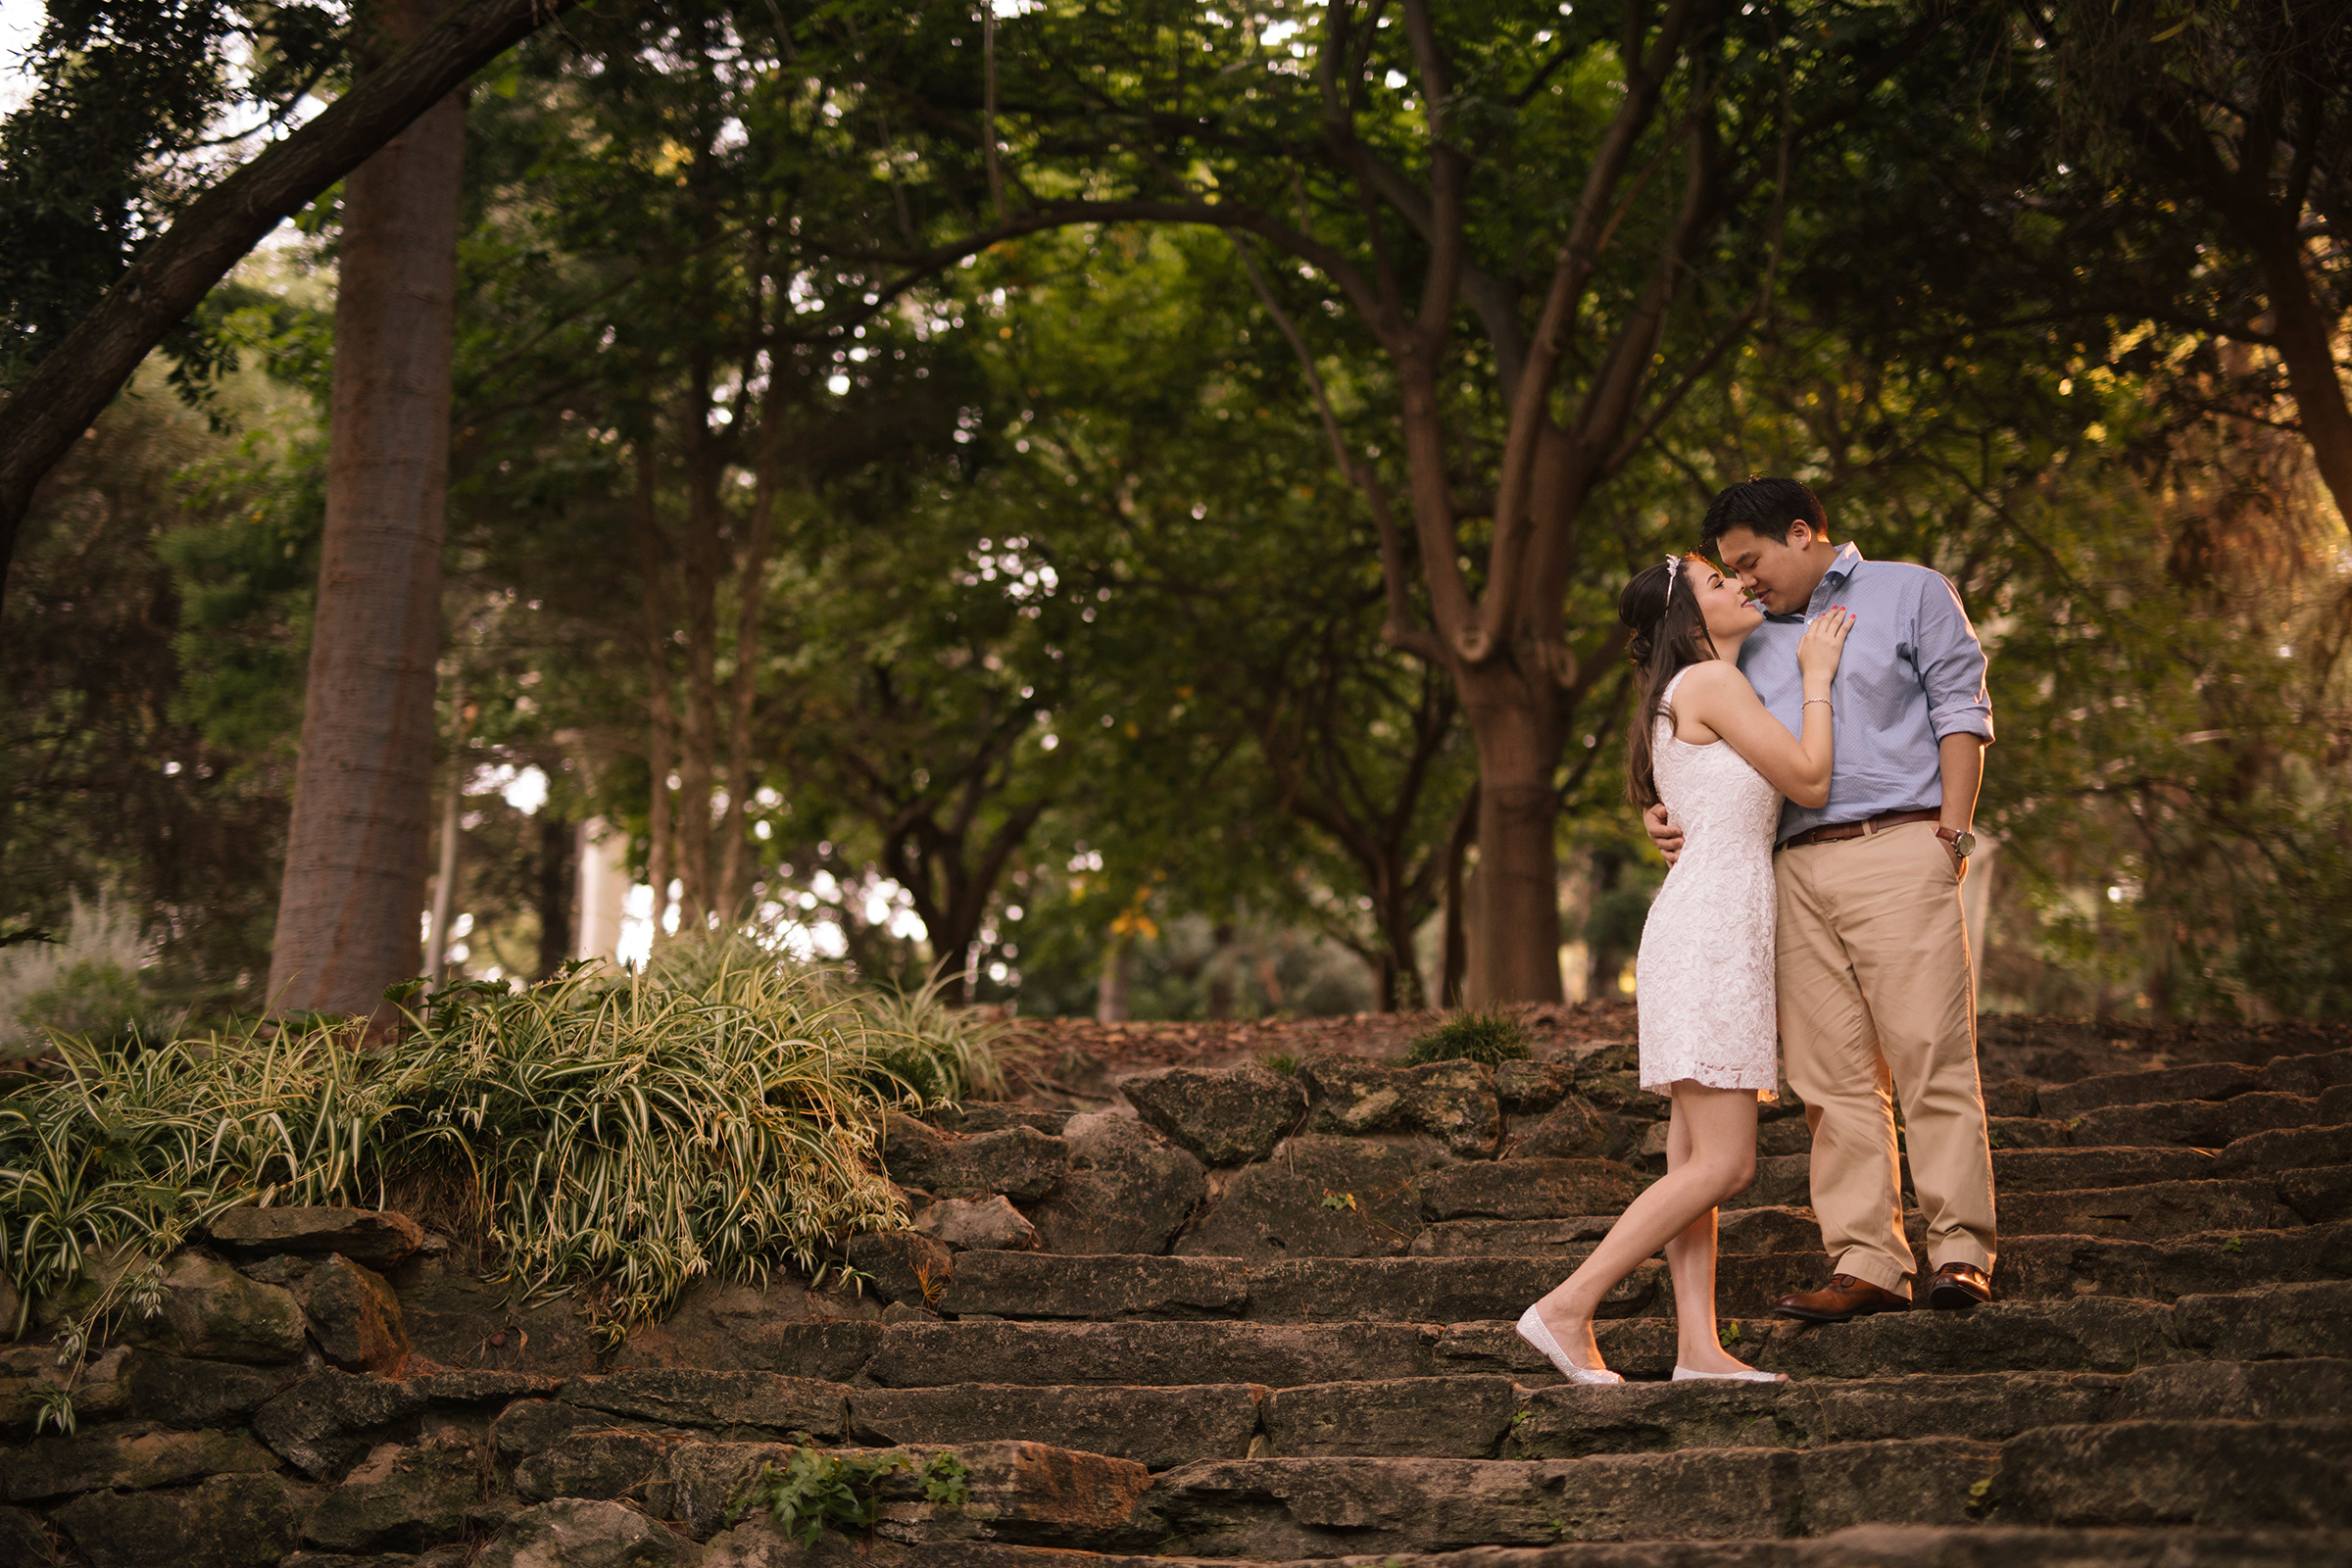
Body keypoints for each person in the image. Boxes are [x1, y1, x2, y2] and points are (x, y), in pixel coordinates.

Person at [1645, 477, 1998, 1323]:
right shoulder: (1750, 637)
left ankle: (1959, 1252)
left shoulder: (1910, 590)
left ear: (1802, 534)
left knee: (1928, 1051)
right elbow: (1711, 745)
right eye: (1730, 572)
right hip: (1786, 868)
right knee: (1827, 1078)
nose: (1746, 581)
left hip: (1898, 845)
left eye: (1750, 561)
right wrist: (1669, 815)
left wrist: (1951, 833)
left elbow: (1961, 709)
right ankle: (1868, 1259)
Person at [1517, 551, 1854, 1385]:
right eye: (1716, 582)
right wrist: (1818, 674)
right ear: (1689, 622)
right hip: (1709, 936)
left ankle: (1697, 1348)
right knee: (1726, 1165)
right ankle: (1566, 1306)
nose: (1738, 585)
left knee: (1691, 1163)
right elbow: (1809, 779)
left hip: (1706, 929)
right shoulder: (1709, 683)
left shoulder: (1689, 691)